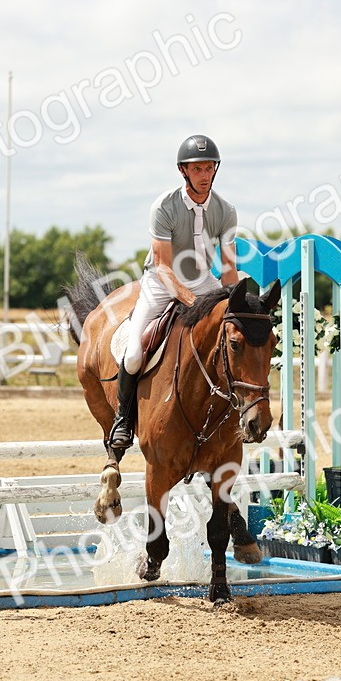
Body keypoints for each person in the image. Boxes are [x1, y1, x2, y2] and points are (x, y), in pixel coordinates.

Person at [109, 134, 240, 450]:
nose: (205, 175)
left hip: (202, 282)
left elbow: (228, 268)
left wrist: (235, 301)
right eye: (198, 169)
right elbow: (164, 267)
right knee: (134, 354)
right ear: (184, 171)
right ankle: (123, 420)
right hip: (160, 284)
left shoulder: (226, 210)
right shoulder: (164, 206)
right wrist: (193, 302)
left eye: (210, 168)